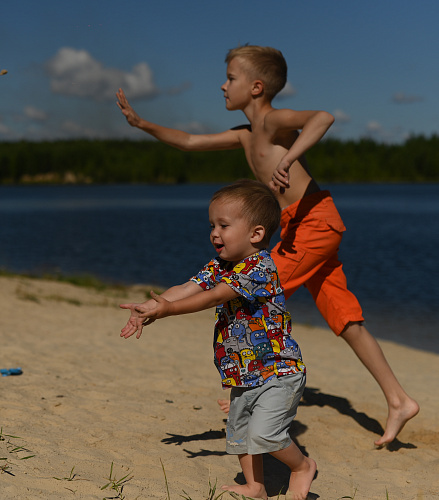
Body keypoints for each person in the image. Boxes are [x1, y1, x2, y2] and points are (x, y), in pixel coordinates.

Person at [116, 44, 418, 447]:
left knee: (248, 294)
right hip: (306, 226)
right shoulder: (245, 135)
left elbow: (322, 117)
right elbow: (188, 140)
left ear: (256, 87)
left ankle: (249, 387)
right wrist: (142, 124)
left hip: (311, 224)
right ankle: (399, 400)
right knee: (347, 320)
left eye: (231, 78)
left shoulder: (273, 121)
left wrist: (289, 157)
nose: (223, 86)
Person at [121, 180, 316, 500]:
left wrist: (169, 310)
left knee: (265, 433)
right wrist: (154, 306)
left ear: (255, 234)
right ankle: (256, 486)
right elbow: (189, 288)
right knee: (240, 434)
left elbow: (213, 297)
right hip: (243, 371)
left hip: (278, 371)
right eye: (212, 225)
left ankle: (302, 466)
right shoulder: (221, 265)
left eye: (224, 225)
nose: (214, 233)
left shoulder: (259, 267)